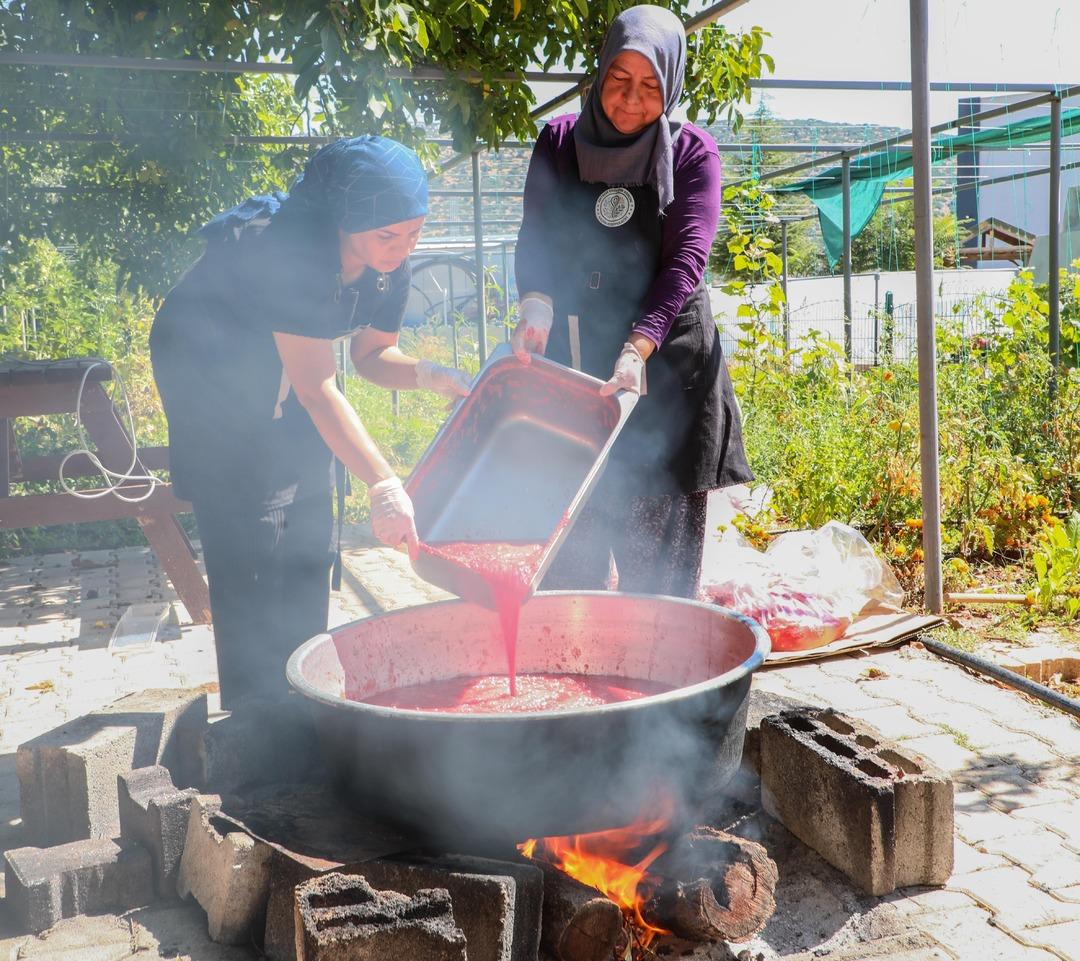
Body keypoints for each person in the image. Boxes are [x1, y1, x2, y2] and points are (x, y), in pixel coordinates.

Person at [150, 136, 471, 708]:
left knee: (308, 520)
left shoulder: (384, 265)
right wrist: (384, 482)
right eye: (388, 235)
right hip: (211, 378)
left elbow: (371, 357)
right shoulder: (292, 253)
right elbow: (318, 389)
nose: (403, 247)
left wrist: (428, 373)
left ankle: (305, 705)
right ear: (346, 221)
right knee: (252, 537)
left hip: (287, 381)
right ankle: (253, 719)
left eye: (415, 232)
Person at [512, 4, 752, 599]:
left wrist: (639, 344)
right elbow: (536, 234)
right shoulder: (561, 141)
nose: (629, 100)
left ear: (669, 87)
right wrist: (535, 306)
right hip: (580, 355)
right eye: (619, 80)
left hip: (666, 357)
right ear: (598, 76)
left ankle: (666, 682)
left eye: (650, 86)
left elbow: (686, 261)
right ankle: (578, 676)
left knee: (659, 565)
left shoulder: (693, 153)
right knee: (574, 543)